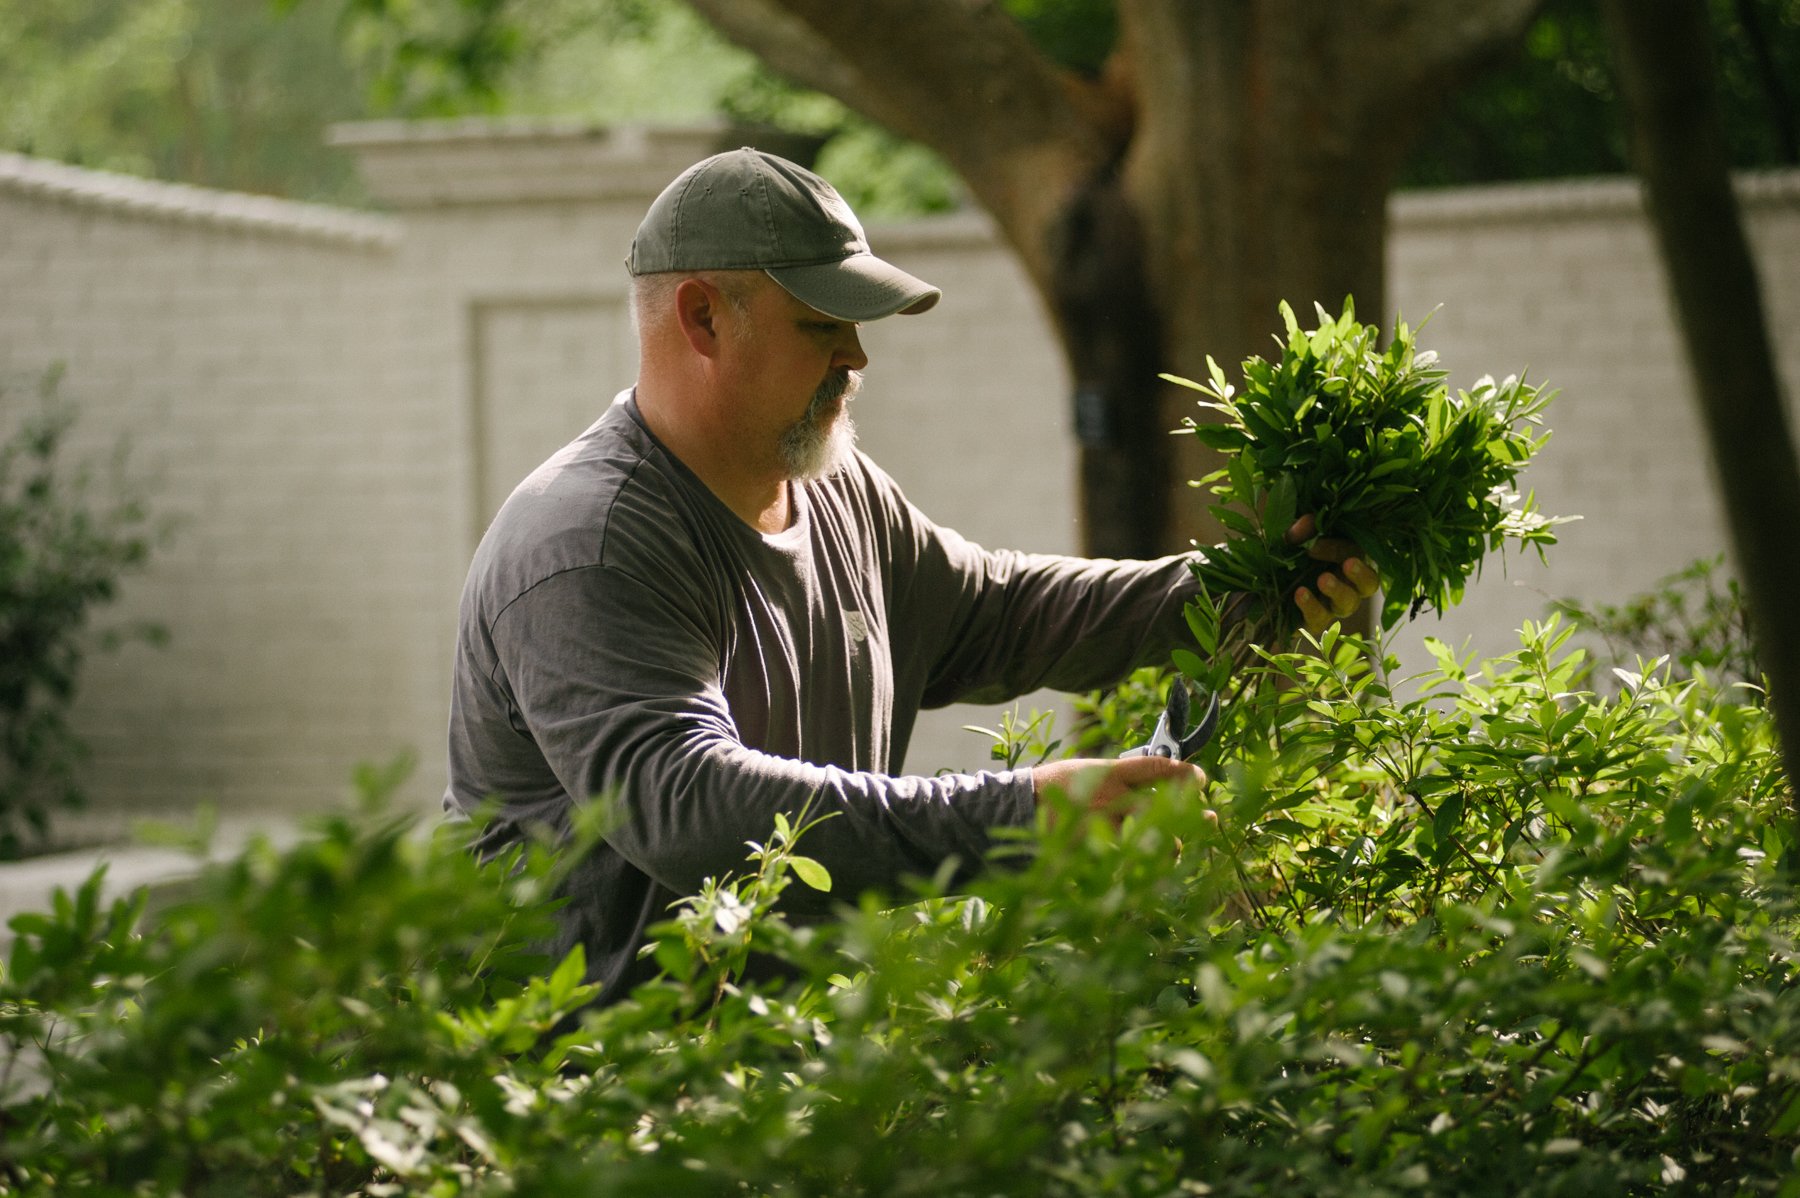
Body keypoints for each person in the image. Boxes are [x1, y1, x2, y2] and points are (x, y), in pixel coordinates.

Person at [445, 148, 1376, 1003]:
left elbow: (1002, 611)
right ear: (701, 318)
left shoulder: (838, 489)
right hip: (592, 1106)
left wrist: (1250, 585)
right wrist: (1027, 812)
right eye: (822, 325)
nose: (856, 356)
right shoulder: (590, 541)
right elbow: (690, 807)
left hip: (791, 1086)